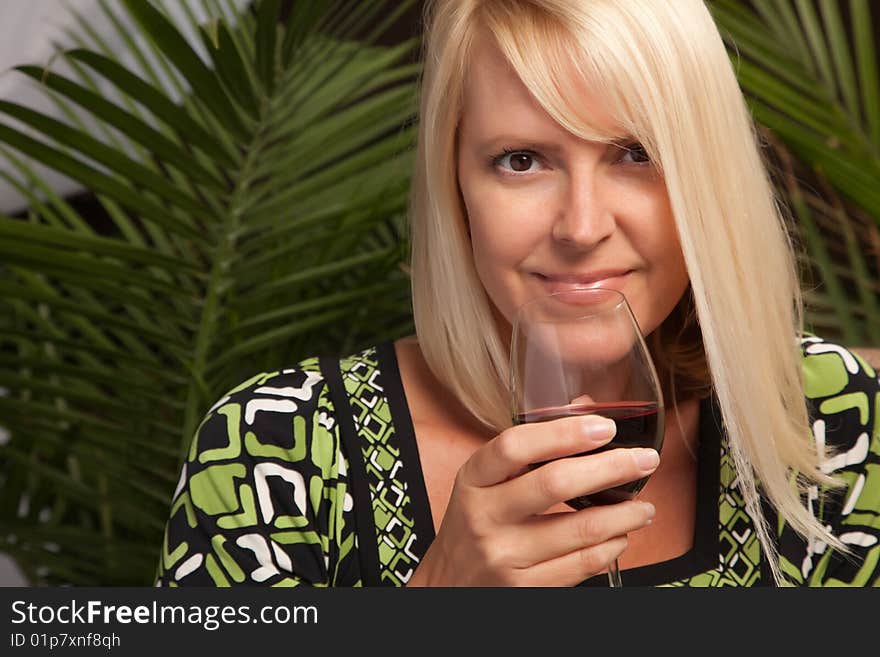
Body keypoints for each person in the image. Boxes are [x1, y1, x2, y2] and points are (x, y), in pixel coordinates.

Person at [155, 0, 880, 587]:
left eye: (636, 153)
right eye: (522, 160)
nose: (582, 226)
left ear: (707, 175)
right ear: (455, 185)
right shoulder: (270, 451)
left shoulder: (836, 419)